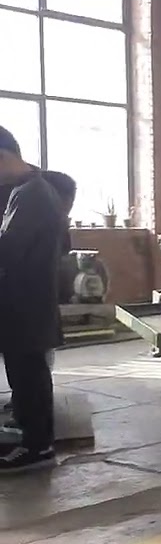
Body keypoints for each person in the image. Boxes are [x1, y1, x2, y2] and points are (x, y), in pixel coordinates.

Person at [0, 126, 70, 473]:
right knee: (26, 376)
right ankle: (32, 436)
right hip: (24, 302)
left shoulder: (33, 195)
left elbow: (7, 250)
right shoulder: (27, 190)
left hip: (26, 303)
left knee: (29, 377)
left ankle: (37, 447)